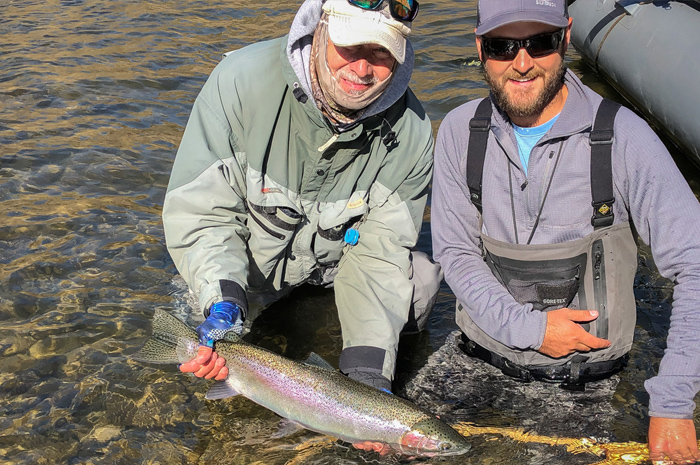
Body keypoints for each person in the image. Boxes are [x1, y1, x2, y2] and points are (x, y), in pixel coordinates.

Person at [431, 0, 700, 463]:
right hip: (474, 357)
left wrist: (672, 403)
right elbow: (454, 251)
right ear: (479, 48)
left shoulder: (625, 138)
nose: (521, 62)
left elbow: (695, 265)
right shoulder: (459, 131)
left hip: (583, 382)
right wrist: (530, 330)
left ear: (566, 38)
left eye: (540, 42)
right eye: (502, 45)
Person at [162, 0, 440, 406]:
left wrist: (366, 379)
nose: (362, 70)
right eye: (350, 46)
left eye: (381, 53)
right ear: (320, 27)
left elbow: (379, 257)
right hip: (250, 273)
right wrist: (222, 299)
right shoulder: (240, 81)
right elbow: (204, 214)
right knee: (198, 339)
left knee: (420, 284)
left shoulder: (411, 131)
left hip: (332, 268)